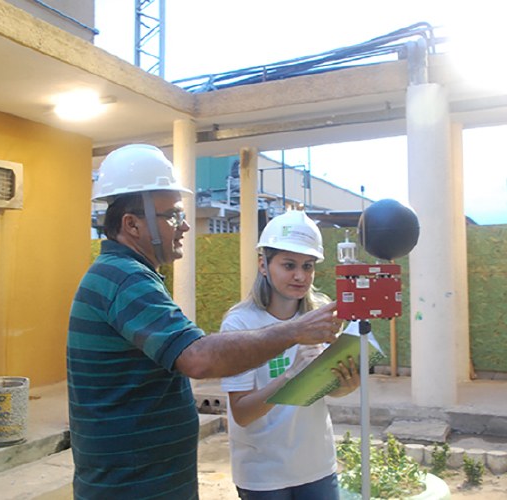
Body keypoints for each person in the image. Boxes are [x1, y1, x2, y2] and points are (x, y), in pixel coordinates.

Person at [66, 144, 342, 500]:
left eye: (308, 265)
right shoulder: (124, 279)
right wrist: (295, 332)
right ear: (131, 224)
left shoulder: (129, 276)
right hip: (132, 485)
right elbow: (198, 358)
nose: (183, 227)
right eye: (172, 216)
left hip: (146, 479)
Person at [220, 210, 361, 500]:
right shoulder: (239, 324)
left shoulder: (321, 315)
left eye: (308, 266)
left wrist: (345, 384)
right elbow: (243, 413)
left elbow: (323, 390)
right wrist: (292, 374)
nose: (300, 276)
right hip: (263, 474)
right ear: (263, 265)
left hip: (317, 466)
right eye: (288, 265)